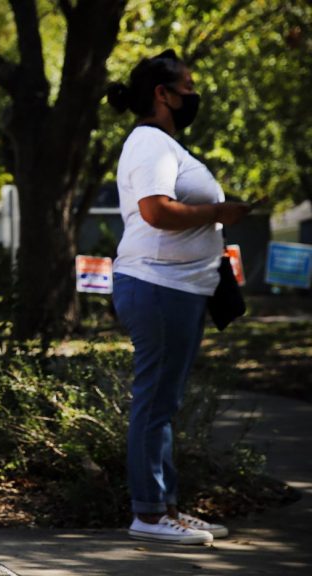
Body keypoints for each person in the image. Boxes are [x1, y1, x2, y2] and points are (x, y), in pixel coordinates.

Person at [107, 50, 252, 545]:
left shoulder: (164, 145)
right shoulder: (150, 143)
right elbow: (155, 211)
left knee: (164, 404)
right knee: (153, 403)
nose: (194, 96)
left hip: (181, 288)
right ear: (162, 94)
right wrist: (219, 211)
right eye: (186, 87)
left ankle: (166, 508)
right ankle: (147, 515)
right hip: (157, 285)